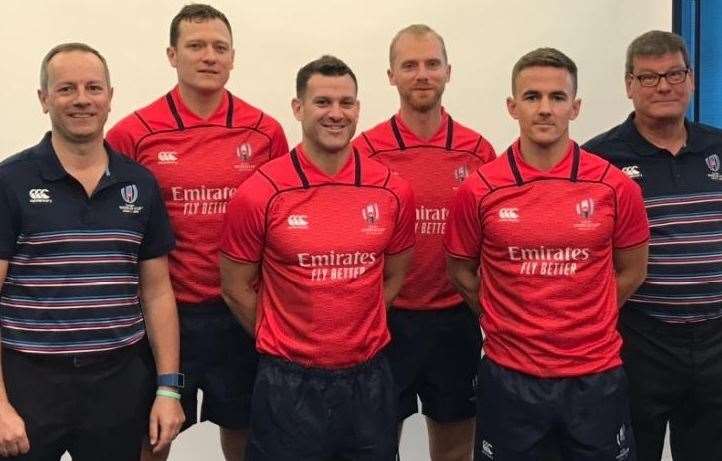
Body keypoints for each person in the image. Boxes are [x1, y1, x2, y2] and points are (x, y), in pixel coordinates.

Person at [445, 47, 650, 460]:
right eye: (532, 97)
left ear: (574, 108)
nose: (544, 109)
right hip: (510, 377)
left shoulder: (614, 186)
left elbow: (633, 269)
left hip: (594, 376)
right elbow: (460, 271)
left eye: (557, 98)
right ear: (512, 106)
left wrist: (587, 319)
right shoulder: (480, 190)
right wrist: (500, 318)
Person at [106, 4, 288, 460]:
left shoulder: (265, 131)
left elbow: (282, 224)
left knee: (248, 435)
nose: (209, 56)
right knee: (153, 438)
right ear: (172, 55)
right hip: (166, 318)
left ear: (232, 57)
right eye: (196, 46)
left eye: (219, 47)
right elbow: (119, 233)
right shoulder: (133, 134)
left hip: (243, 313)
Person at [219, 55, 415, 460]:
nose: (336, 114)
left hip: (369, 378)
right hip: (287, 382)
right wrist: (283, 336)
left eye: (347, 103)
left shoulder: (392, 190)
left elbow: (394, 276)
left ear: (358, 109)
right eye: (323, 102)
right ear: (298, 108)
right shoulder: (260, 192)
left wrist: (351, 332)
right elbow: (235, 286)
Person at [0, 42, 184, 461]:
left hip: (117, 382)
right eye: (66, 89)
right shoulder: (9, 182)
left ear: (110, 96)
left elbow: (156, 293)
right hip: (30, 383)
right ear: (44, 99)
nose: (82, 99)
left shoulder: (140, 183)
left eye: (93, 87)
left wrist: (168, 388)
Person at [353, 24, 494, 461]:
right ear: (391, 75)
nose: (422, 74)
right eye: (409, 65)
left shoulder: (478, 152)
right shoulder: (364, 152)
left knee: (454, 449)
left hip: (456, 321)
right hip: (384, 321)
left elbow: (493, 243)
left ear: (448, 72)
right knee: (376, 446)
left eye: (432, 64)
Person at [584, 30, 722, 461]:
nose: (664, 86)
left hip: (717, 339)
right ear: (629, 86)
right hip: (638, 338)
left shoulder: (719, 147)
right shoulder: (598, 160)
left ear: (691, 79)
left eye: (674, 74)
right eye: (648, 78)